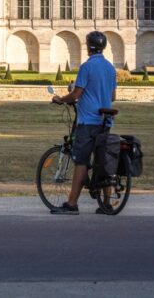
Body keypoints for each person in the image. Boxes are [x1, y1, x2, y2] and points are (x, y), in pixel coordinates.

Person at [50, 30, 117, 215]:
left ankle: (72, 204)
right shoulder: (110, 68)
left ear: (88, 47)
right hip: (106, 121)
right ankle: (106, 204)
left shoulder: (86, 67)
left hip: (88, 120)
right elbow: (112, 96)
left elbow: (76, 94)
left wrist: (61, 99)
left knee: (81, 161)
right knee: (102, 161)